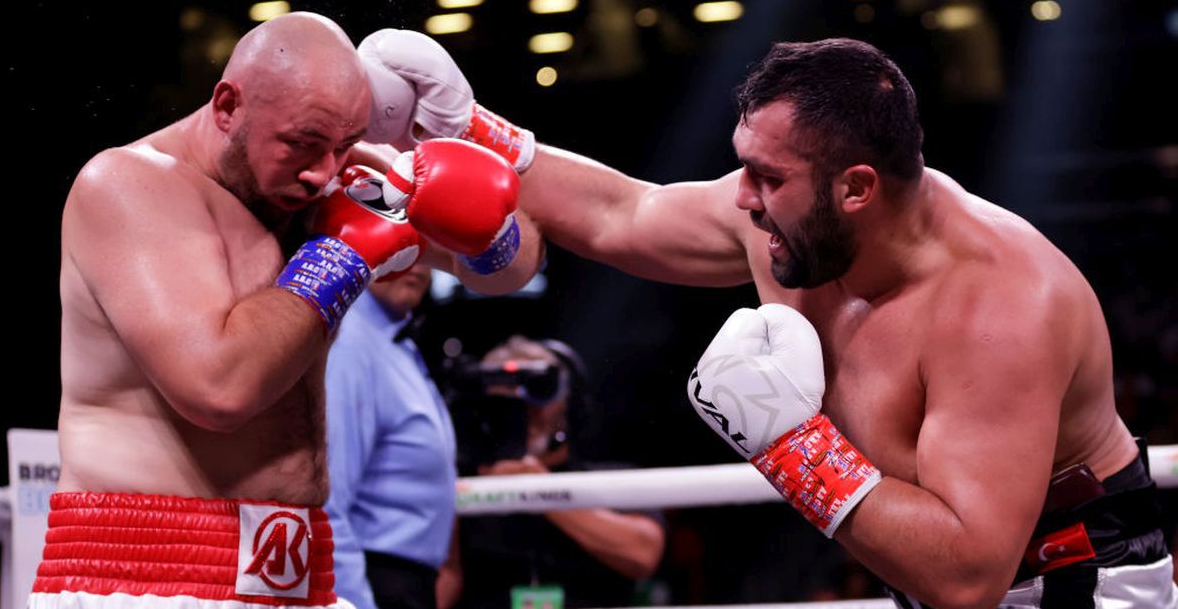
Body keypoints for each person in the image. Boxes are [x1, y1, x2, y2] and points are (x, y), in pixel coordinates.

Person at [358, 33, 1176, 608]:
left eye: (765, 176)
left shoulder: (1000, 305)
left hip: (1078, 583)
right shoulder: (783, 217)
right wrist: (473, 131)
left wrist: (793, 446)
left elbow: (968, 575)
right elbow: (623, 213)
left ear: (856, 187)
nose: (740, 196)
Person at [42, 13, 538, 609]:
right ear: (228, 105)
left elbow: (510, 272)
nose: (322, 171)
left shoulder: (321, 181)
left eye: (343, 145)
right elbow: (219, 388)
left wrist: (471, 184)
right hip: (148, 578)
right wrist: (343, 255)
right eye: (301, 143)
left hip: (297, 575)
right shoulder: (129, 185)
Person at [440, 337, 665, 609]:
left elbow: (642, 554)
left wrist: (541, 489)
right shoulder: (467, 485)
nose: (525, 409)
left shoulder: (612, 480)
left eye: (538, 390)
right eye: (505, 395)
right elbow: (444, 586)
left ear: (569, 402)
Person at [325, 262, 456, 609]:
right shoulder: (349, 341)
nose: (416, 264)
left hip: (402, 581)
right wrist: (354, 602)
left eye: (425, 250)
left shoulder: (393, 341)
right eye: (401, 248)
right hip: (371, 580)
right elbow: (327, 498)